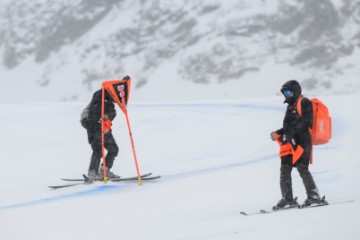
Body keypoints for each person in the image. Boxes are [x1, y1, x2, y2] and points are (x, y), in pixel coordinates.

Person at [270, 80, 325, 209]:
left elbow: (307, 121)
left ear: (296, 91)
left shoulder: (304, 102)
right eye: (285, 93)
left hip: (302, 141)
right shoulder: (290, 107)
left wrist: (293, 132)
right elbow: (286, 127)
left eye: (288, 92)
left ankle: (314, 197)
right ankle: (287, 199)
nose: (286, 95)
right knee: (284, 169)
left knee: (302, 168)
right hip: (290, 143)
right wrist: (277, 133)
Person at [86, 88, 119, 180]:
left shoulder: (111, 103)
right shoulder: (99, 96)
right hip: (94, 128)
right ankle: (92, 173)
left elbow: (112, 114)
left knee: (114, 149)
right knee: (98, 150)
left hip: (105, 129)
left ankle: (105, 170)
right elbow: (94, 114)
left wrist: (108, 116)